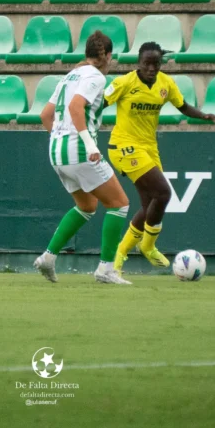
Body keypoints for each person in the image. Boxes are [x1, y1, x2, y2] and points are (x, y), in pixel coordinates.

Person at [105, 42, 215, 275]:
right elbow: (99, 103)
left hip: (148, 147)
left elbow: (183, 106)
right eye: (147, 63)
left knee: (149, 205)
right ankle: (147, 245)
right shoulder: (124, 83)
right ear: (139, 62)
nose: (151, 68)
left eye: (156, 63)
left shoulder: (166, 84)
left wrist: (203, 115)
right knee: (164, 192)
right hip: (124, 145)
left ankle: (118, 258)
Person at [34, 31, 133, 285]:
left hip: (56, 151)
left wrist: (61, 138)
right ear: (108, 56)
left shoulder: (69, 76)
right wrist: (88, 144)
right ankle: (106, 269)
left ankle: (48, 257)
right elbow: (75, 107)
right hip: (79, 150)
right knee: (119, 204)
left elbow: (45, 115)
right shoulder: (96, 77)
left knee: (87, 206)